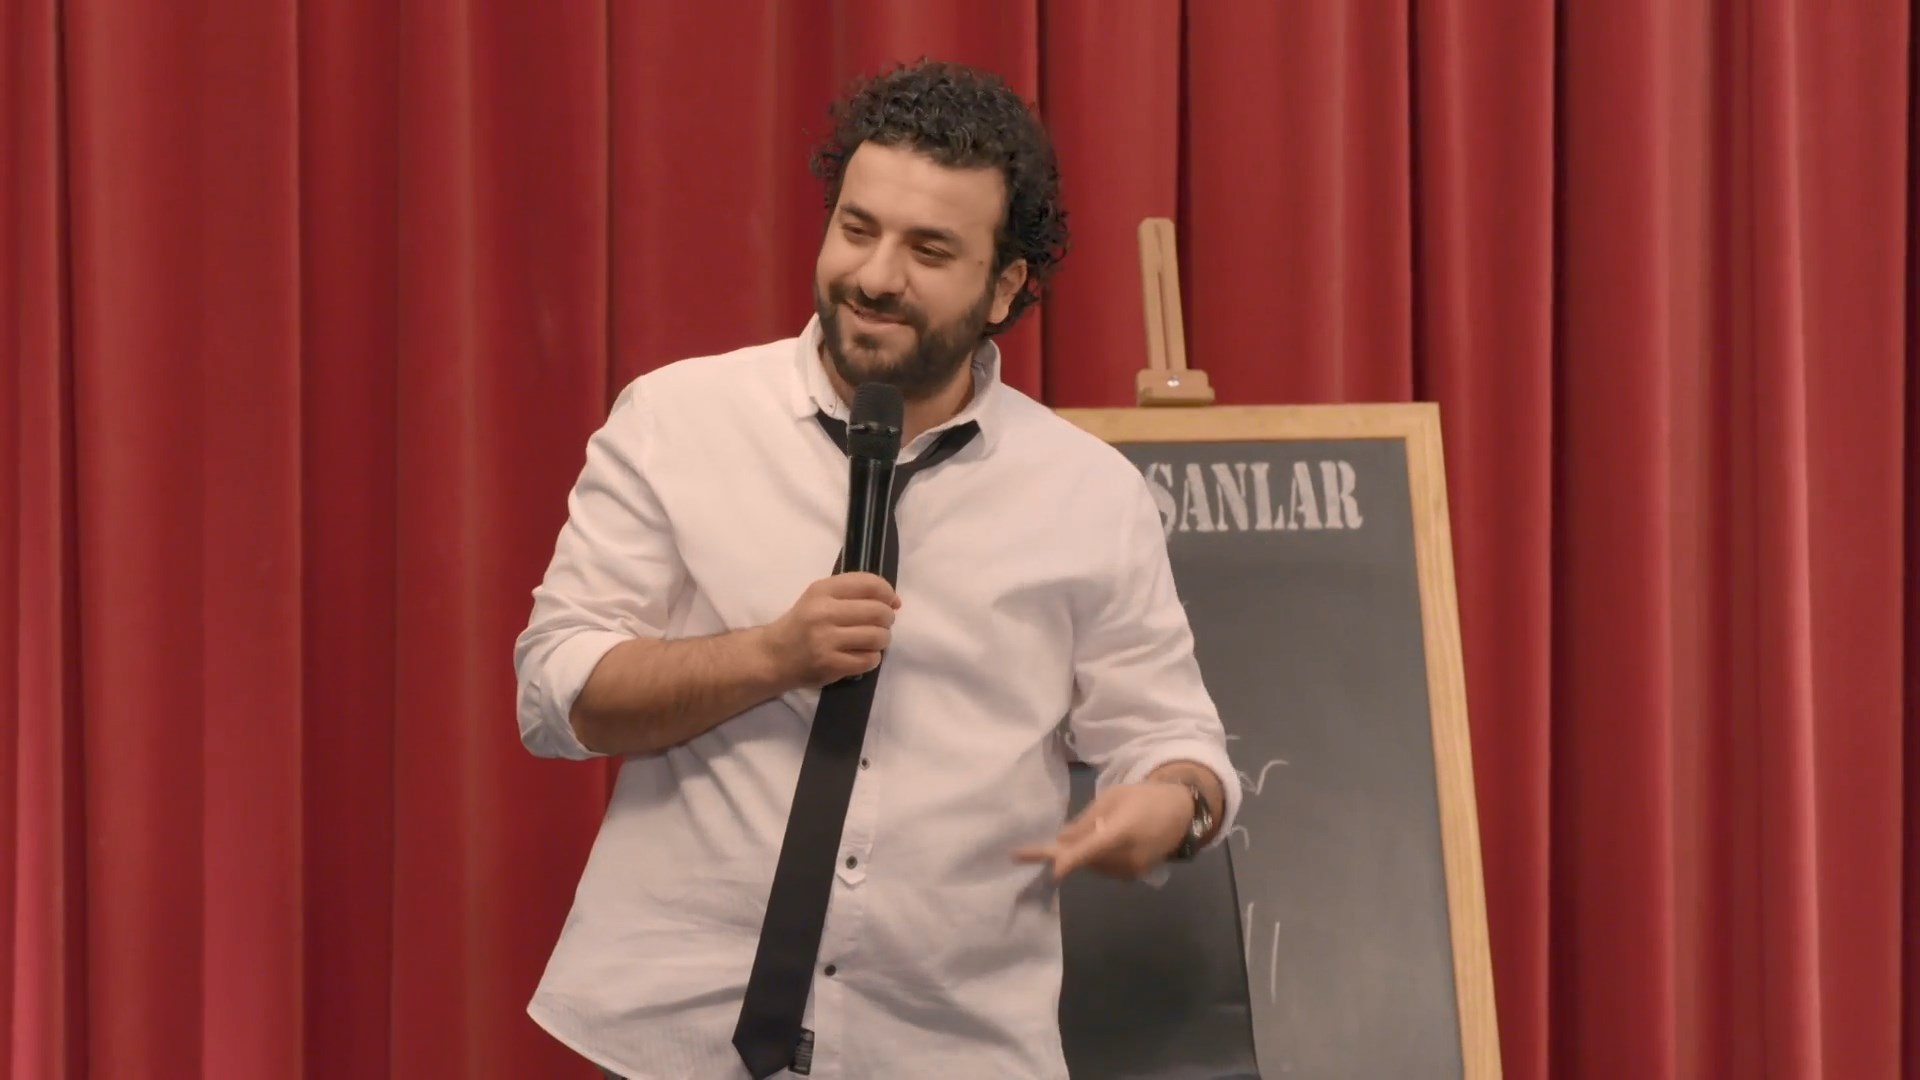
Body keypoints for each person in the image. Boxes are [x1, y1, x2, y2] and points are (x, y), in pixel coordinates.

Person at [514, 58, 1241, 1080]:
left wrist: (1172, 809)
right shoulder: (677, 420)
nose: (876, 276)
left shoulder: (1090, 495)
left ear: (1005, 287)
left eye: (929, 249)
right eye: (858, 229)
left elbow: (1171, 739)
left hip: (953, 1049)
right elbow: (556, 695)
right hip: (668, 1039)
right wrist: (771, 655)